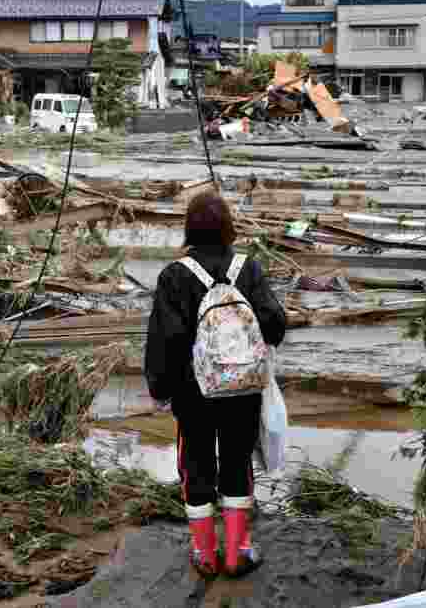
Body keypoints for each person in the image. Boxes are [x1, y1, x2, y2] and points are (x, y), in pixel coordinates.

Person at [145, 190, 287, 578]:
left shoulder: (174, 275)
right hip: (243, 389)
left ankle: (205, 554)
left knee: (196, 464)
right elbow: (275, 325)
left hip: (194, 393)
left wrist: (160, 389)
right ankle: (237, 552)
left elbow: (166, 341)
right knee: (238, 461)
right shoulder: (249, 269)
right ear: (228, 227)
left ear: (189, 228)